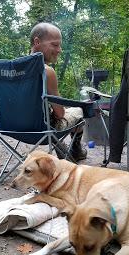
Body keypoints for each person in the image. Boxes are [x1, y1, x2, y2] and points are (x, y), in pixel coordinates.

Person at [30, 22, 87, 161]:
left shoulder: (12, 70)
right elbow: (60, 114)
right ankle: (76, 150)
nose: (59, 50)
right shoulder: (46, 71)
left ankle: (64, 149)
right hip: (42, 129)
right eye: (55, 45)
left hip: (11, 127)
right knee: (79, 111)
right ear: (37, 42)